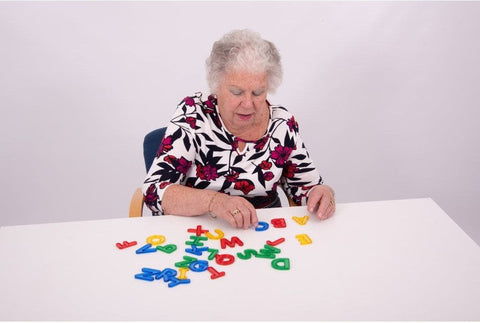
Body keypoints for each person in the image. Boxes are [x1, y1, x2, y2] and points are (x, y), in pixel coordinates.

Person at [143, 29, 335, 229]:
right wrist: (215, 202)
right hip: (198, 231)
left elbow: (306, 187)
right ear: (216, 85)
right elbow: (154, 191)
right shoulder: (193, 115)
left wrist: (321, 193)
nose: (248, 103)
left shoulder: (282, 124)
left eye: (258, 92)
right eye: (236, 92)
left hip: (263, 232)